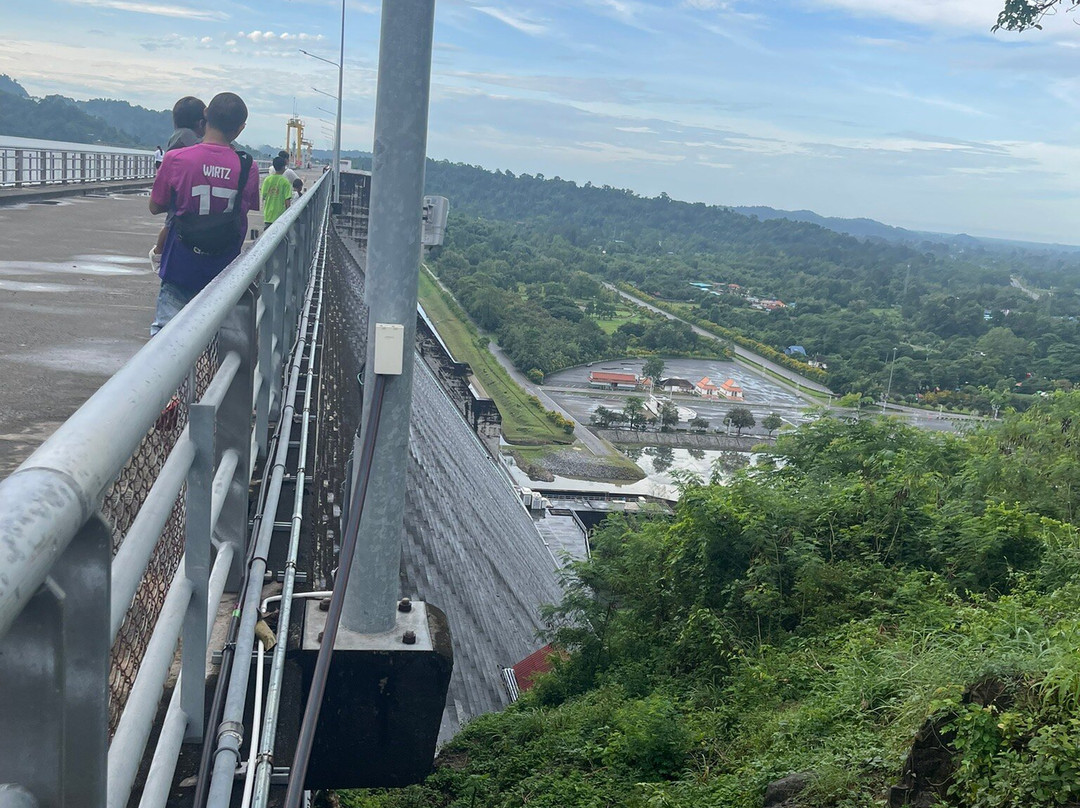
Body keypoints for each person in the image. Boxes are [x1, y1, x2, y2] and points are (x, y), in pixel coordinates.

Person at [148, 92, 260, 335]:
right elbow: (246, 206)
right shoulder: (248, 166)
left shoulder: (175, 158)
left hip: (180, 265)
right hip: (224, 267)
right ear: (240, 128)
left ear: (206, 115)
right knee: (221, 341)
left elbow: (155, 206)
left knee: (165, 338)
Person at [150, 96, 208, 271]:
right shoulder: (189, 138)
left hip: (176, 189)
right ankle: (158, 253)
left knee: (169, 224)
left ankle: (158, 253)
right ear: (201, 123)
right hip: (182, 194)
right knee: (171, 224)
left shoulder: (177, 135)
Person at [261, 155, 292, 230]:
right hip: (280, 215)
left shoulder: (267, 180)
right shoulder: (285, 182)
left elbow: (264, 195)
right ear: (283, 167)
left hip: (268, 214)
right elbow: (287, 200)